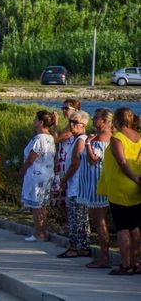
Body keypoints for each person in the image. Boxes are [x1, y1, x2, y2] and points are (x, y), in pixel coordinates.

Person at [97, 107, 141, 276]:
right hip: (135, 187)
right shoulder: (138, 137)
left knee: (123, 227)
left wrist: (134, 178)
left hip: (121, 186)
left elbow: (122, 162)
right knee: (135, 226)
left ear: (117, 119)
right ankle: (136, 262)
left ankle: (126, 263)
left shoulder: (118, 138)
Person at [79, 108, 111, 269]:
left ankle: (104, 256)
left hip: (97, 184)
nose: (93, 120)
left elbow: (94, 159)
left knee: (100, 222)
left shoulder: (101, 139)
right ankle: (104, 255)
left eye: (96, 118)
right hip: (92, 184)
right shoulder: (101, 137)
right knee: (99, 222)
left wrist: (87, 143)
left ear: (104, 121)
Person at [57, 110, 91, 259]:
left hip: (76, 185)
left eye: (75, 122)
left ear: (83, 125)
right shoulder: (77, 139)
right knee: (81, 218)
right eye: (70, 121)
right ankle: (83, 247)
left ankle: (74, 247)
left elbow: (75, 163)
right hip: (77, 185)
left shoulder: (80, 140)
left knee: (75, 218)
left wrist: (64, 180)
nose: (71, 124)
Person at [19, 110, 56, 242]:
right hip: (46, 174)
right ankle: (42, 231)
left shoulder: (39, 139)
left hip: (36, 174)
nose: (34, 121)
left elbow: (31, 158)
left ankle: (39, 232)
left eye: (36, 119)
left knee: (37, 205)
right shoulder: (50, 137)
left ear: (41, 122)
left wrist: (22, 170)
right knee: (42, 204)